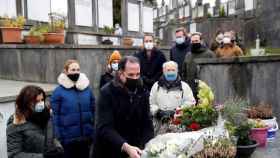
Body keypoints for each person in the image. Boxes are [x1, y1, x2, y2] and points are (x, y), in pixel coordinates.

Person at [93, 56, 154, 158]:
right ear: (120, 73)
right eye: (130, 75)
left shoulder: (142, 91)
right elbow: (105, 127)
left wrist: (146, 147)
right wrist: (126, 147)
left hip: (136, 150)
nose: (135, 78)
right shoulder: (107, 92)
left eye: (137, 74)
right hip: (110, 150)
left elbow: (147, 123)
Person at [50, 59, 95, 158]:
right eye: (73, 70)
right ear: (66, 71)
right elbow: (55, 117)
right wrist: (59, 137)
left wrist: (93, 131)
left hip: (86, 138)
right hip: (68, 140)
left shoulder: (87, 90)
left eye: (78, 69)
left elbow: (94, 111)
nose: (76, 72)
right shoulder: (58, 92)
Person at [150, 61, 196, 135]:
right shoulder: (156, 86)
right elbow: (151, 103)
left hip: (179, 126)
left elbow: (191, 103)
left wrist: (177, 111)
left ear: (177, 71)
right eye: (168, 70)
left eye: (173, 70)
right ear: (163, 71)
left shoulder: (185, 87)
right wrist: (158, 112)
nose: (171, 72)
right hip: (159, 126)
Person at [6, 85, 51, 158]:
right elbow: (14, 155)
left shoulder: (45, 115)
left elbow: (51, 137)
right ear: (25, 102)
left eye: (42, 100)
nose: (40, 104)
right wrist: (42, 156)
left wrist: (57, 147)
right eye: (36, 101)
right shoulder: (15, 123)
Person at [183, 32, 216, 102]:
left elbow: (214, 73)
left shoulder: (209, 54)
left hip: (205, 91)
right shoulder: (188, 55)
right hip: (190, 90)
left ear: (201, 41)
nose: (194, 43)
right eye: (192, 41)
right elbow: (184, 72)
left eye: (196, 41)